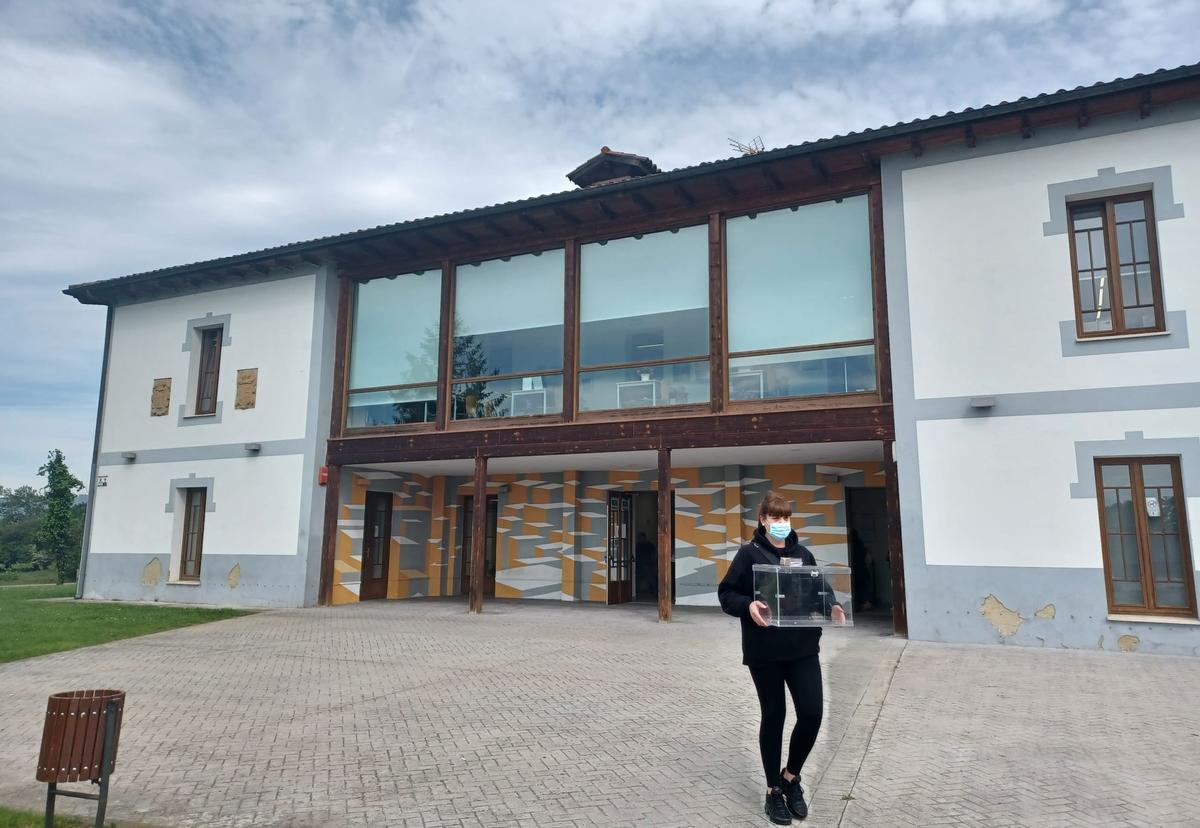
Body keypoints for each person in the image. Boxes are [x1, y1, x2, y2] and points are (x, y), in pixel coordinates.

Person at [718, 490, 846, 825]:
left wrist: (832, 606)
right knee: (774, 715)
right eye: (775, 517)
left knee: (813, 713)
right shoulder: (749, 555)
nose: (781, 523)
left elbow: (821, 590)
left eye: (786, 517)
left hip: (803, 650)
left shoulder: (803, 554)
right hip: (765, 653)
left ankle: (790, 778)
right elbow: (727, 593)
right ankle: (773, 791)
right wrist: (747, 605)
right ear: (762, 520)